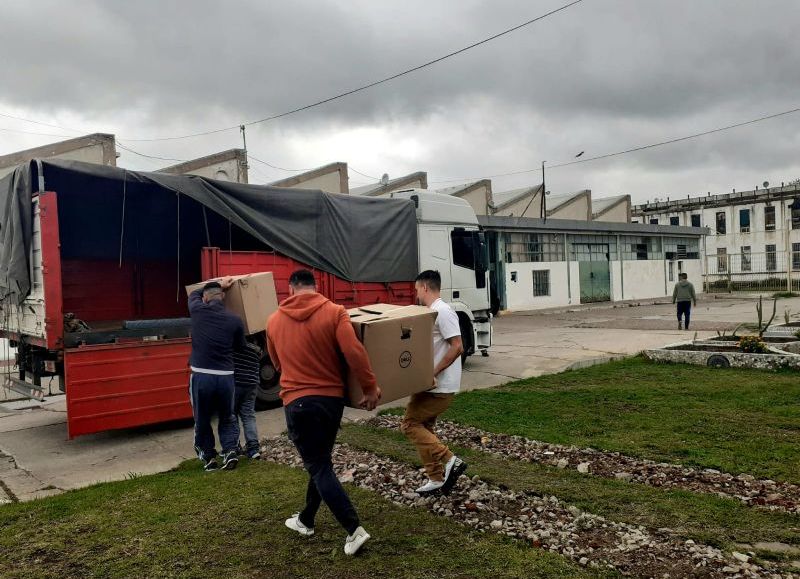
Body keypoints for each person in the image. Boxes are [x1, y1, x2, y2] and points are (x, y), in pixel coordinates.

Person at [266, 269, 381, 556]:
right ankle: (306, 519)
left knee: (318, 466)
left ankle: (354, 530)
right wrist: (369, 388)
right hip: (331, 401)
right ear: (315, 288)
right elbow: (354, 352)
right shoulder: (335, 311)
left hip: (298, 402)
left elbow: (277, 363)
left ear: (291, 289)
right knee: (321, 462)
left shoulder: (273, 321)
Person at [401, 270, 468, 495]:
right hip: (430, 384)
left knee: (410, 424)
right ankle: (436, 478)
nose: (416, 293)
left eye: (417, 289)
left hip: (438, 386)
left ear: (426, 288)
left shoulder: (442, 311)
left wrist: (433, 372)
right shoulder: (430, 313)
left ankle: (450, 461)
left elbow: (457, 346)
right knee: (425, 427)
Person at [188, 278, 246, 471]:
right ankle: (229, 451)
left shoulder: (197, 310)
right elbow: (240, 347)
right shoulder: (235, 319)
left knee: (202, 417)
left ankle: (209, 457)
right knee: (227, 416)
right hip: (225, 376)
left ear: (205, 298)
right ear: (222, 298)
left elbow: (194, 293)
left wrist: (220, 283)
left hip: (201, 375)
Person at [233, 342, 262, 460]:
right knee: (248, 416)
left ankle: (235, 447)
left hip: (235, 385)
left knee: (231, 416)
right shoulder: (255, 349)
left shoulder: (230, 346)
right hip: (251, 385)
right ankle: (254, 449)